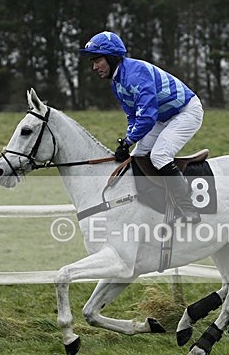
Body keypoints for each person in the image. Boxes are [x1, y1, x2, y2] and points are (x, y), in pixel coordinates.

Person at [80, 31, 203, 224]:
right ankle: (153, 204)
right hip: (162, 118)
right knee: (138, 156)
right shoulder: (117, 82)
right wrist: (128, 141)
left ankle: (188, 207)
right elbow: (133, 116)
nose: (94, 67)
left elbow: (147, 116)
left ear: (111, 58)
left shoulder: (135, 74)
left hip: (185, 112)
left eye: (97, 60)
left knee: (159, 155)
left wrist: (128, 140)